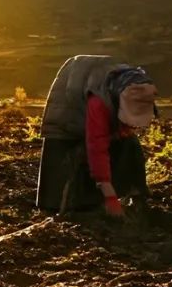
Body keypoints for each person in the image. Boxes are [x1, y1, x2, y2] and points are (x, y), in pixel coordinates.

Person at [36, 55, 158, 216]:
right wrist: (109, 195)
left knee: (130, 144)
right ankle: (61, 206)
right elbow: (97, 146)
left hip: (97, 103)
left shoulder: (139, 92)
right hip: (67, 115)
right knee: (66, 160)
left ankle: (135, 194)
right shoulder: (99, 102)